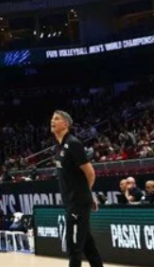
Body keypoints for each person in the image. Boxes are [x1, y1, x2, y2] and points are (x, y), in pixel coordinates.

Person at [50, 110, 103, 267]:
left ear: (66, 124)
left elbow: (90, 173)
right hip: (72, 203)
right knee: (87, 243)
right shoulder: (58, 147)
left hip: (77, 204)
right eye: (52, 118)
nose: (52, 121)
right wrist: (88, 195)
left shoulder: (73, 143)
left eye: (57, 118)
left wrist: (86, 195)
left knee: (74, 248)